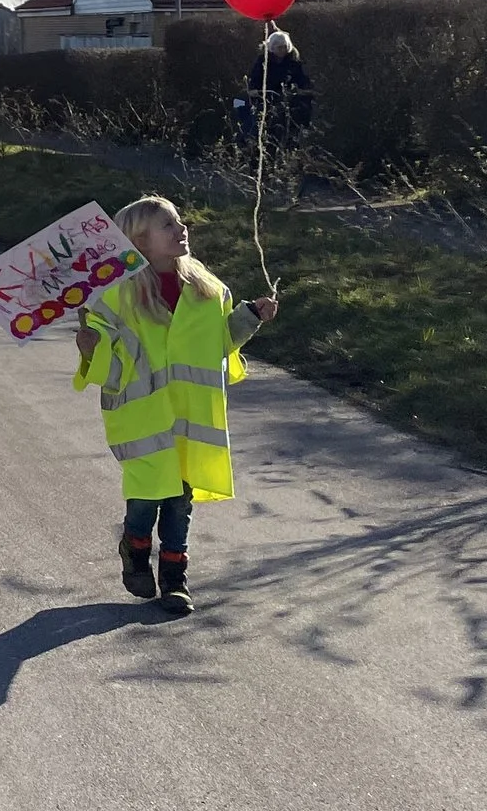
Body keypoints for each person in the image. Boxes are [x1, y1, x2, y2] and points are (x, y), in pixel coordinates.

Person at [75, 195, 278, 616]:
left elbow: (218, 343)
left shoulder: (207, 287)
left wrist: (248, 317)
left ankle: (174, 579)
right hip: (142, 416)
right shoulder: (115, 296)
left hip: (189, 415)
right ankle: (134, 548)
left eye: (180, 222)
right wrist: (90, 345)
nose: (181, 229)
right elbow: (105, 354)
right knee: (148, 496)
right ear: (139, 241)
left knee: (180, 499)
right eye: (168, 225)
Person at [245, 31, 315, 149]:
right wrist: (254, 90)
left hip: (288, 97)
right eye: (279, 48)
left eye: (284, 47)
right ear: (272, 48)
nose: (282, 50)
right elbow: (256, 77)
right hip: (267, 96)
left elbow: (301, 78)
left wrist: (301, 89)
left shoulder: (293, 61)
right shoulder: (263, 61)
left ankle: (300, 134)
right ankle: (253, 139)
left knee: (301, 109)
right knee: (245, 107)